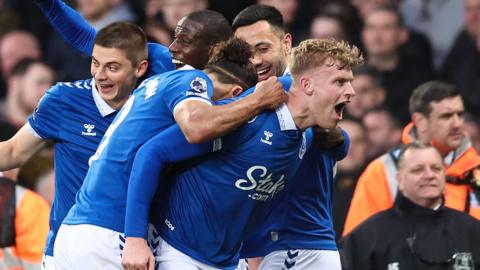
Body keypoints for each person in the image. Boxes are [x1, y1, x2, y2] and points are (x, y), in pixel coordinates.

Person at [121, 38, 362, 270]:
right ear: (307, 85)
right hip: (177, 249)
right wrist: (134, 237)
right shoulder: (245, 119)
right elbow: (152, 152)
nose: (351, 91)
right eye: (340, 82)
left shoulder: (305, 138)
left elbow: (340, 145)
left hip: (227, 259)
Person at [54, 37, 282, 270]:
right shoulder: (194, 80)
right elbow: (196, 127)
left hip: (76, 227)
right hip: (111, 232)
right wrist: (256, 101)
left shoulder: (156, 82)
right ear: (236, 92)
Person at [231, 5, 354, 270]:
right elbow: (341, 144)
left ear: (286, 44)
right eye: (245, 52)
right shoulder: (253, 96)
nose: (254, 60)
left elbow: (341, 143)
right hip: (268, 247)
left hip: (296, 247)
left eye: (263, 49)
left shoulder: (295, 88)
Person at [344, 81, 480, 236]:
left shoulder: (476, 171)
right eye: (446, 116)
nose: (457, 124)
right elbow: (359, 246)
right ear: (420, 122)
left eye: (459, 115)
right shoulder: (383, 171)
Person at [340, 142, 480, 270]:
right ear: (399, 179)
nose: (429, 175)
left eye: (436, 169)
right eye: (418, 170)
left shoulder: (472, 231)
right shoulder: (366, 237)